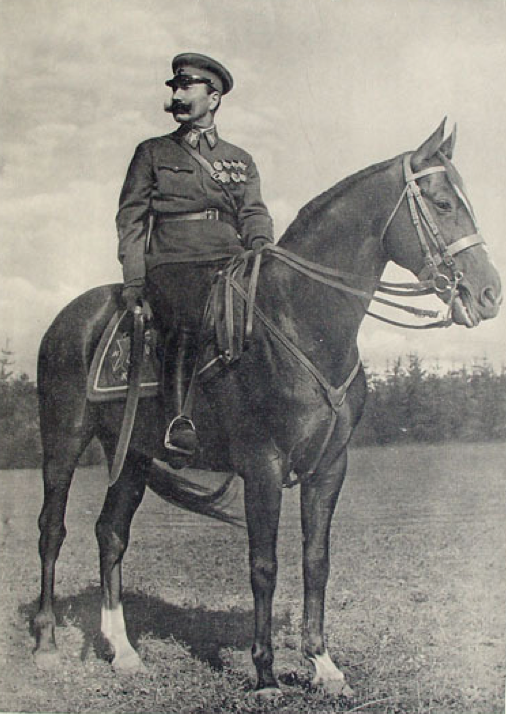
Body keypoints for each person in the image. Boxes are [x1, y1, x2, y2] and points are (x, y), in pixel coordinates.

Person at [116, 52, 274, 465]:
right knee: (188, 313)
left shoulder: (240, 159)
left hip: (231, 259)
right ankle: (177, 421)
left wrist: (261, 247)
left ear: (214, 97)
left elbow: (254, 213)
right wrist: (135, 279)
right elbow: (131, 219)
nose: (178, 96)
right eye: (175, 88)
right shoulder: (152, 153)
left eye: (187, 87)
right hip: (175, 262)